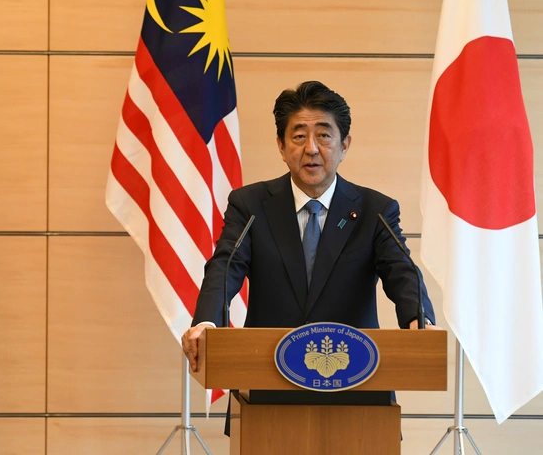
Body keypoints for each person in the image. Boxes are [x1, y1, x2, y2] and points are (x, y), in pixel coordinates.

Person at [182, 81, 436, 371]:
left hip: (355, 378)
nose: (312, 149)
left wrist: (419, 320)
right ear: (281, 146)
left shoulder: (375, 211)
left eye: (324, 136)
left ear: (344, 146)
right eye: (299, 136)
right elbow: (225, 267)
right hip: (265, 376)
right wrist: (207, 322)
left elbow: (401, 272)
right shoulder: (250, 205)